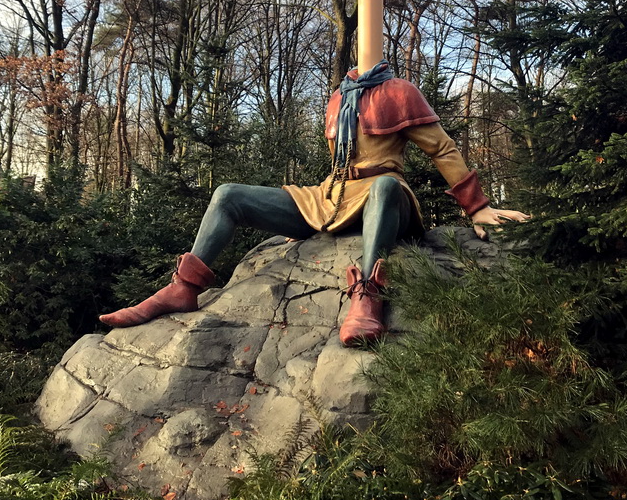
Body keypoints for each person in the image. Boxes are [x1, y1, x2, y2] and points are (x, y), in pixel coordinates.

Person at [99, 61, 529, 344]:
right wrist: (302, 219)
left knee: (382, 186)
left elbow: (442, 148)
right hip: (330, 197)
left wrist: (477, 208)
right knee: (228, 194)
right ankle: (183, 289)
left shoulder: (400, 91)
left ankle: (367, 293)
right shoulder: (340, 98)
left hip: (386, 196)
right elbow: (338, 167)